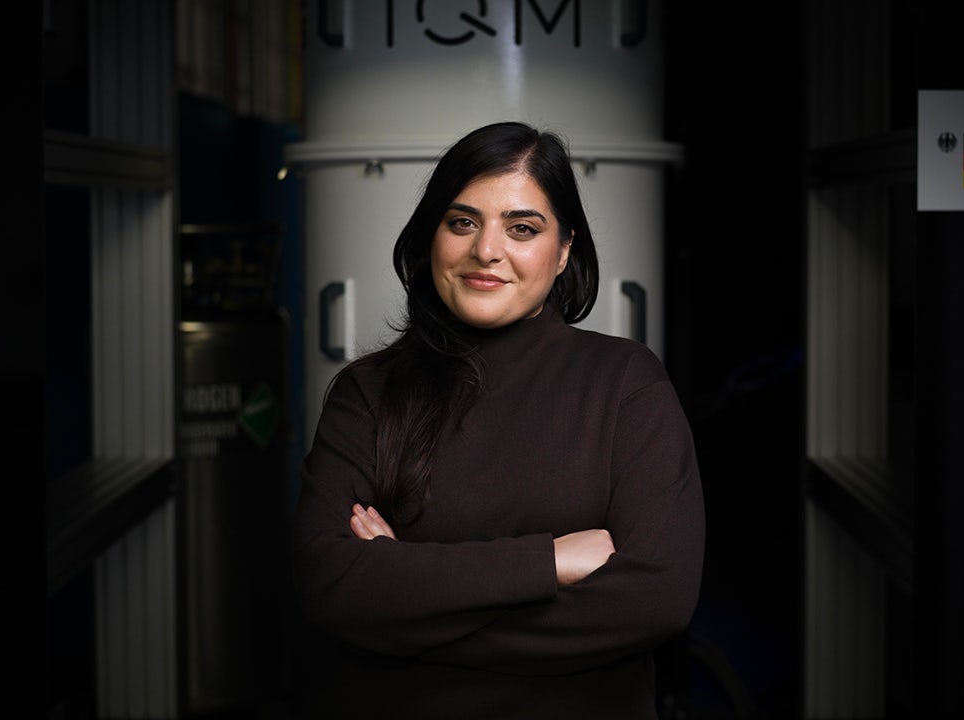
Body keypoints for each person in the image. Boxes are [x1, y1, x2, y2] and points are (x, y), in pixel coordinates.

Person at [290, 121, 705, 719]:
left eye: (522, 228)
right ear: (432, 235)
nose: (486, 250)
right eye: (462, 222)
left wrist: (405, 597)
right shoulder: (368, 392)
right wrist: (549, 563)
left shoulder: (625, 384)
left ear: (564, 250)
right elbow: (327, 582)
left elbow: (658, 598)